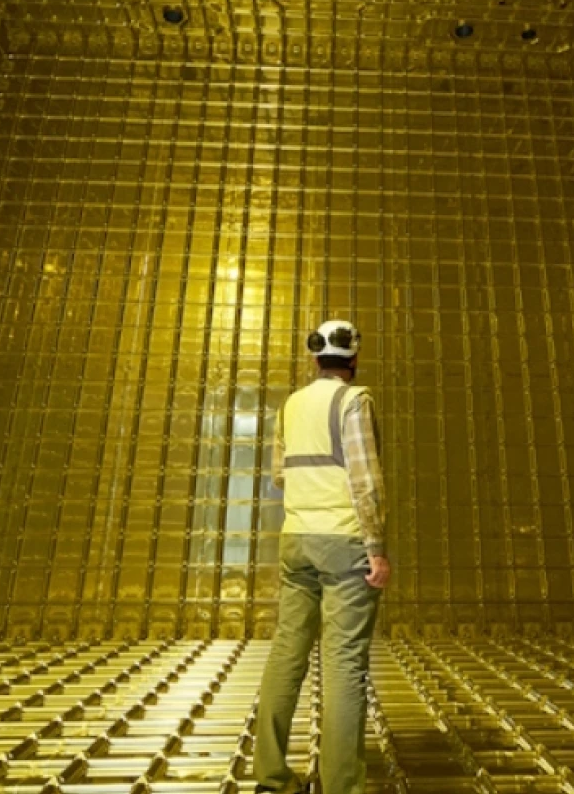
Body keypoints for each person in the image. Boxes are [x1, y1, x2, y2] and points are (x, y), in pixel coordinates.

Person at [253, 319, 391, 794]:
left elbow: (279, 474)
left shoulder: (290, 405)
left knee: (286, 654)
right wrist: (375, 548)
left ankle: (271, 777)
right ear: (353, 358)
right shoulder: (355, 401)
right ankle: (341, 787)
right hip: (345, 544)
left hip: (296, 542)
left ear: (315, 358)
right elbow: (365, 481)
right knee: (344, 664)